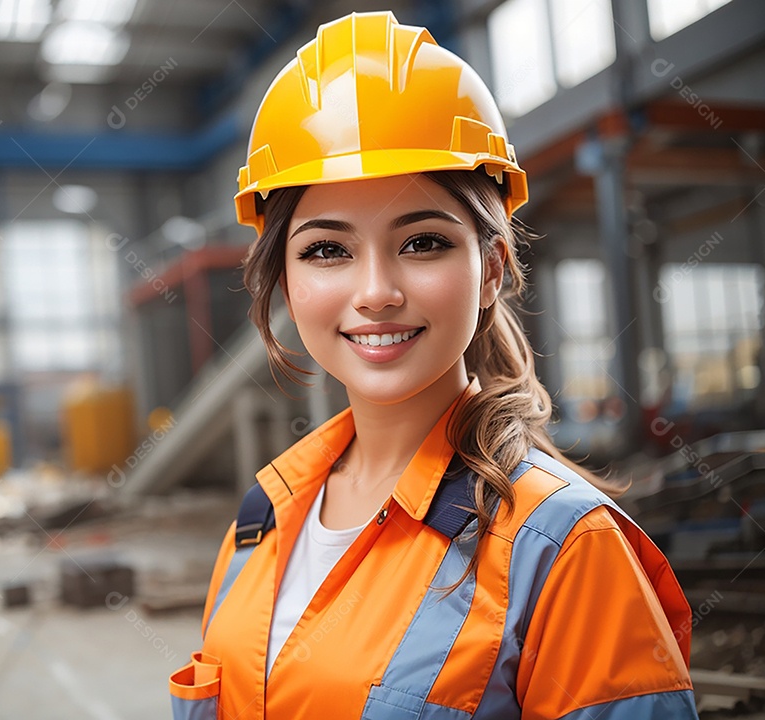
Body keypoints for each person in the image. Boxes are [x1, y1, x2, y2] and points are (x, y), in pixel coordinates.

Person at [169, 11, 698, 720]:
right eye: (328, 249)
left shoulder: (563, 548)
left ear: (489, 271)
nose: (377, 291)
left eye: (422, 242)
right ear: (285, 280)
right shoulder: (262, 520)